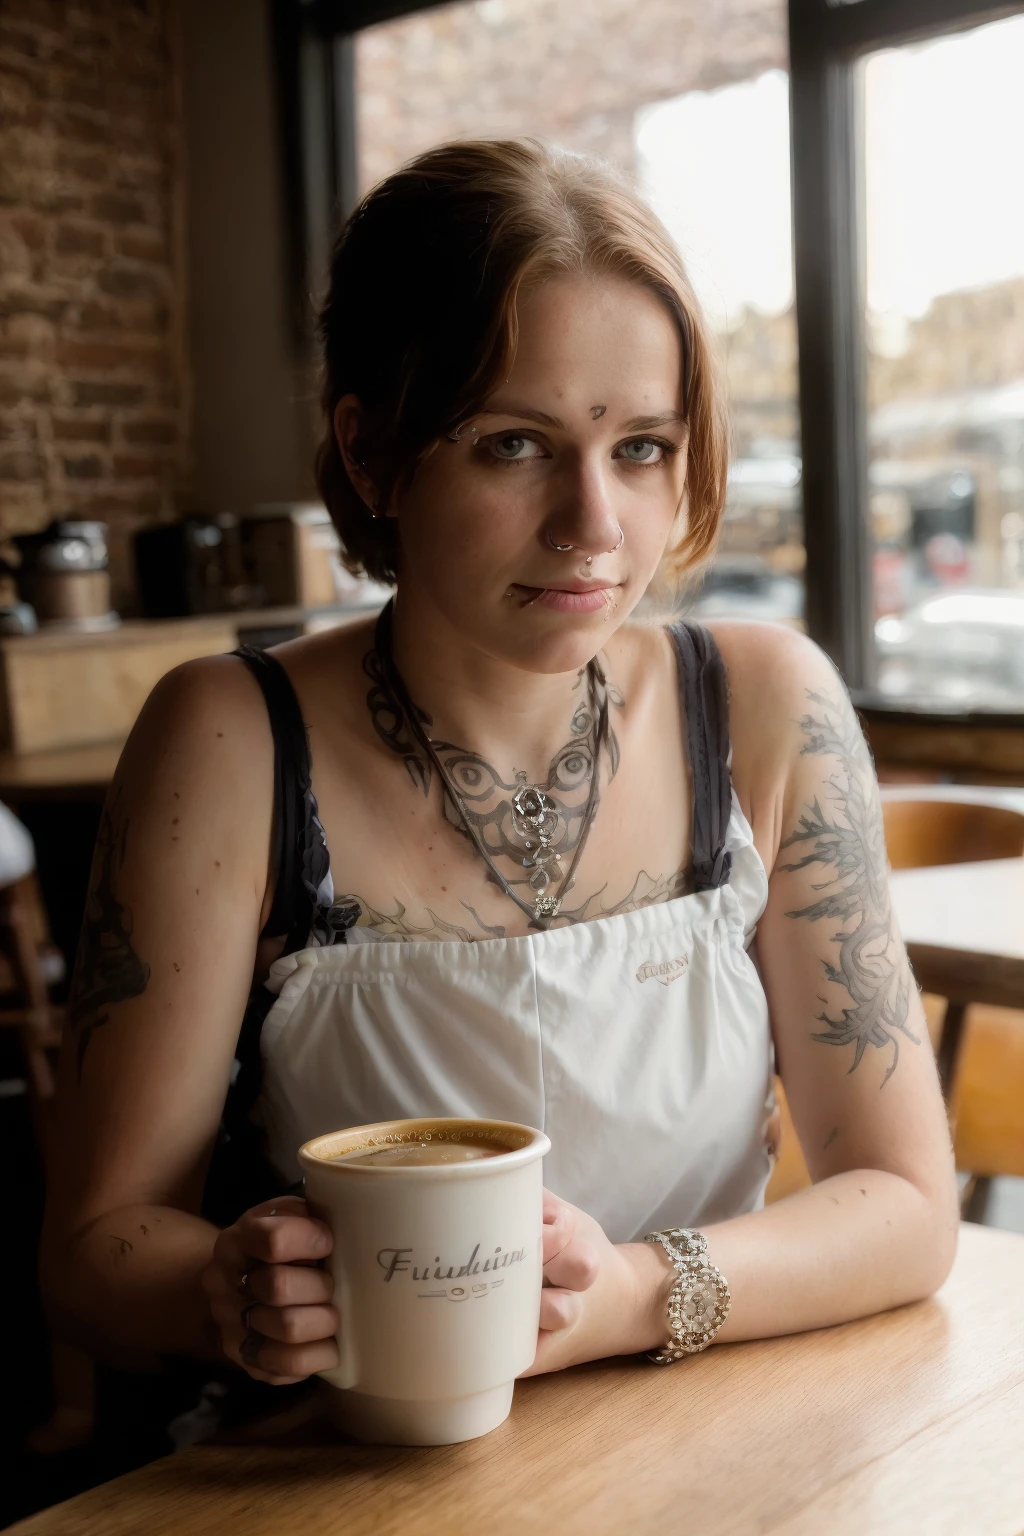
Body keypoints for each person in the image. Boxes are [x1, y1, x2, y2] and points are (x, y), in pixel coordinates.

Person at [42, 140, 957, 1395]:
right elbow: (95, 1247)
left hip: (722, 1431)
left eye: (640, 447)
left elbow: (906, 1203)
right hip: (359, 1465)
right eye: (513, 445)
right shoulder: (232, 739)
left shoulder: (761, 708)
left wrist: (626, 1293)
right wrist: (227, 1292)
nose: (594, 525)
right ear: (370, 455)